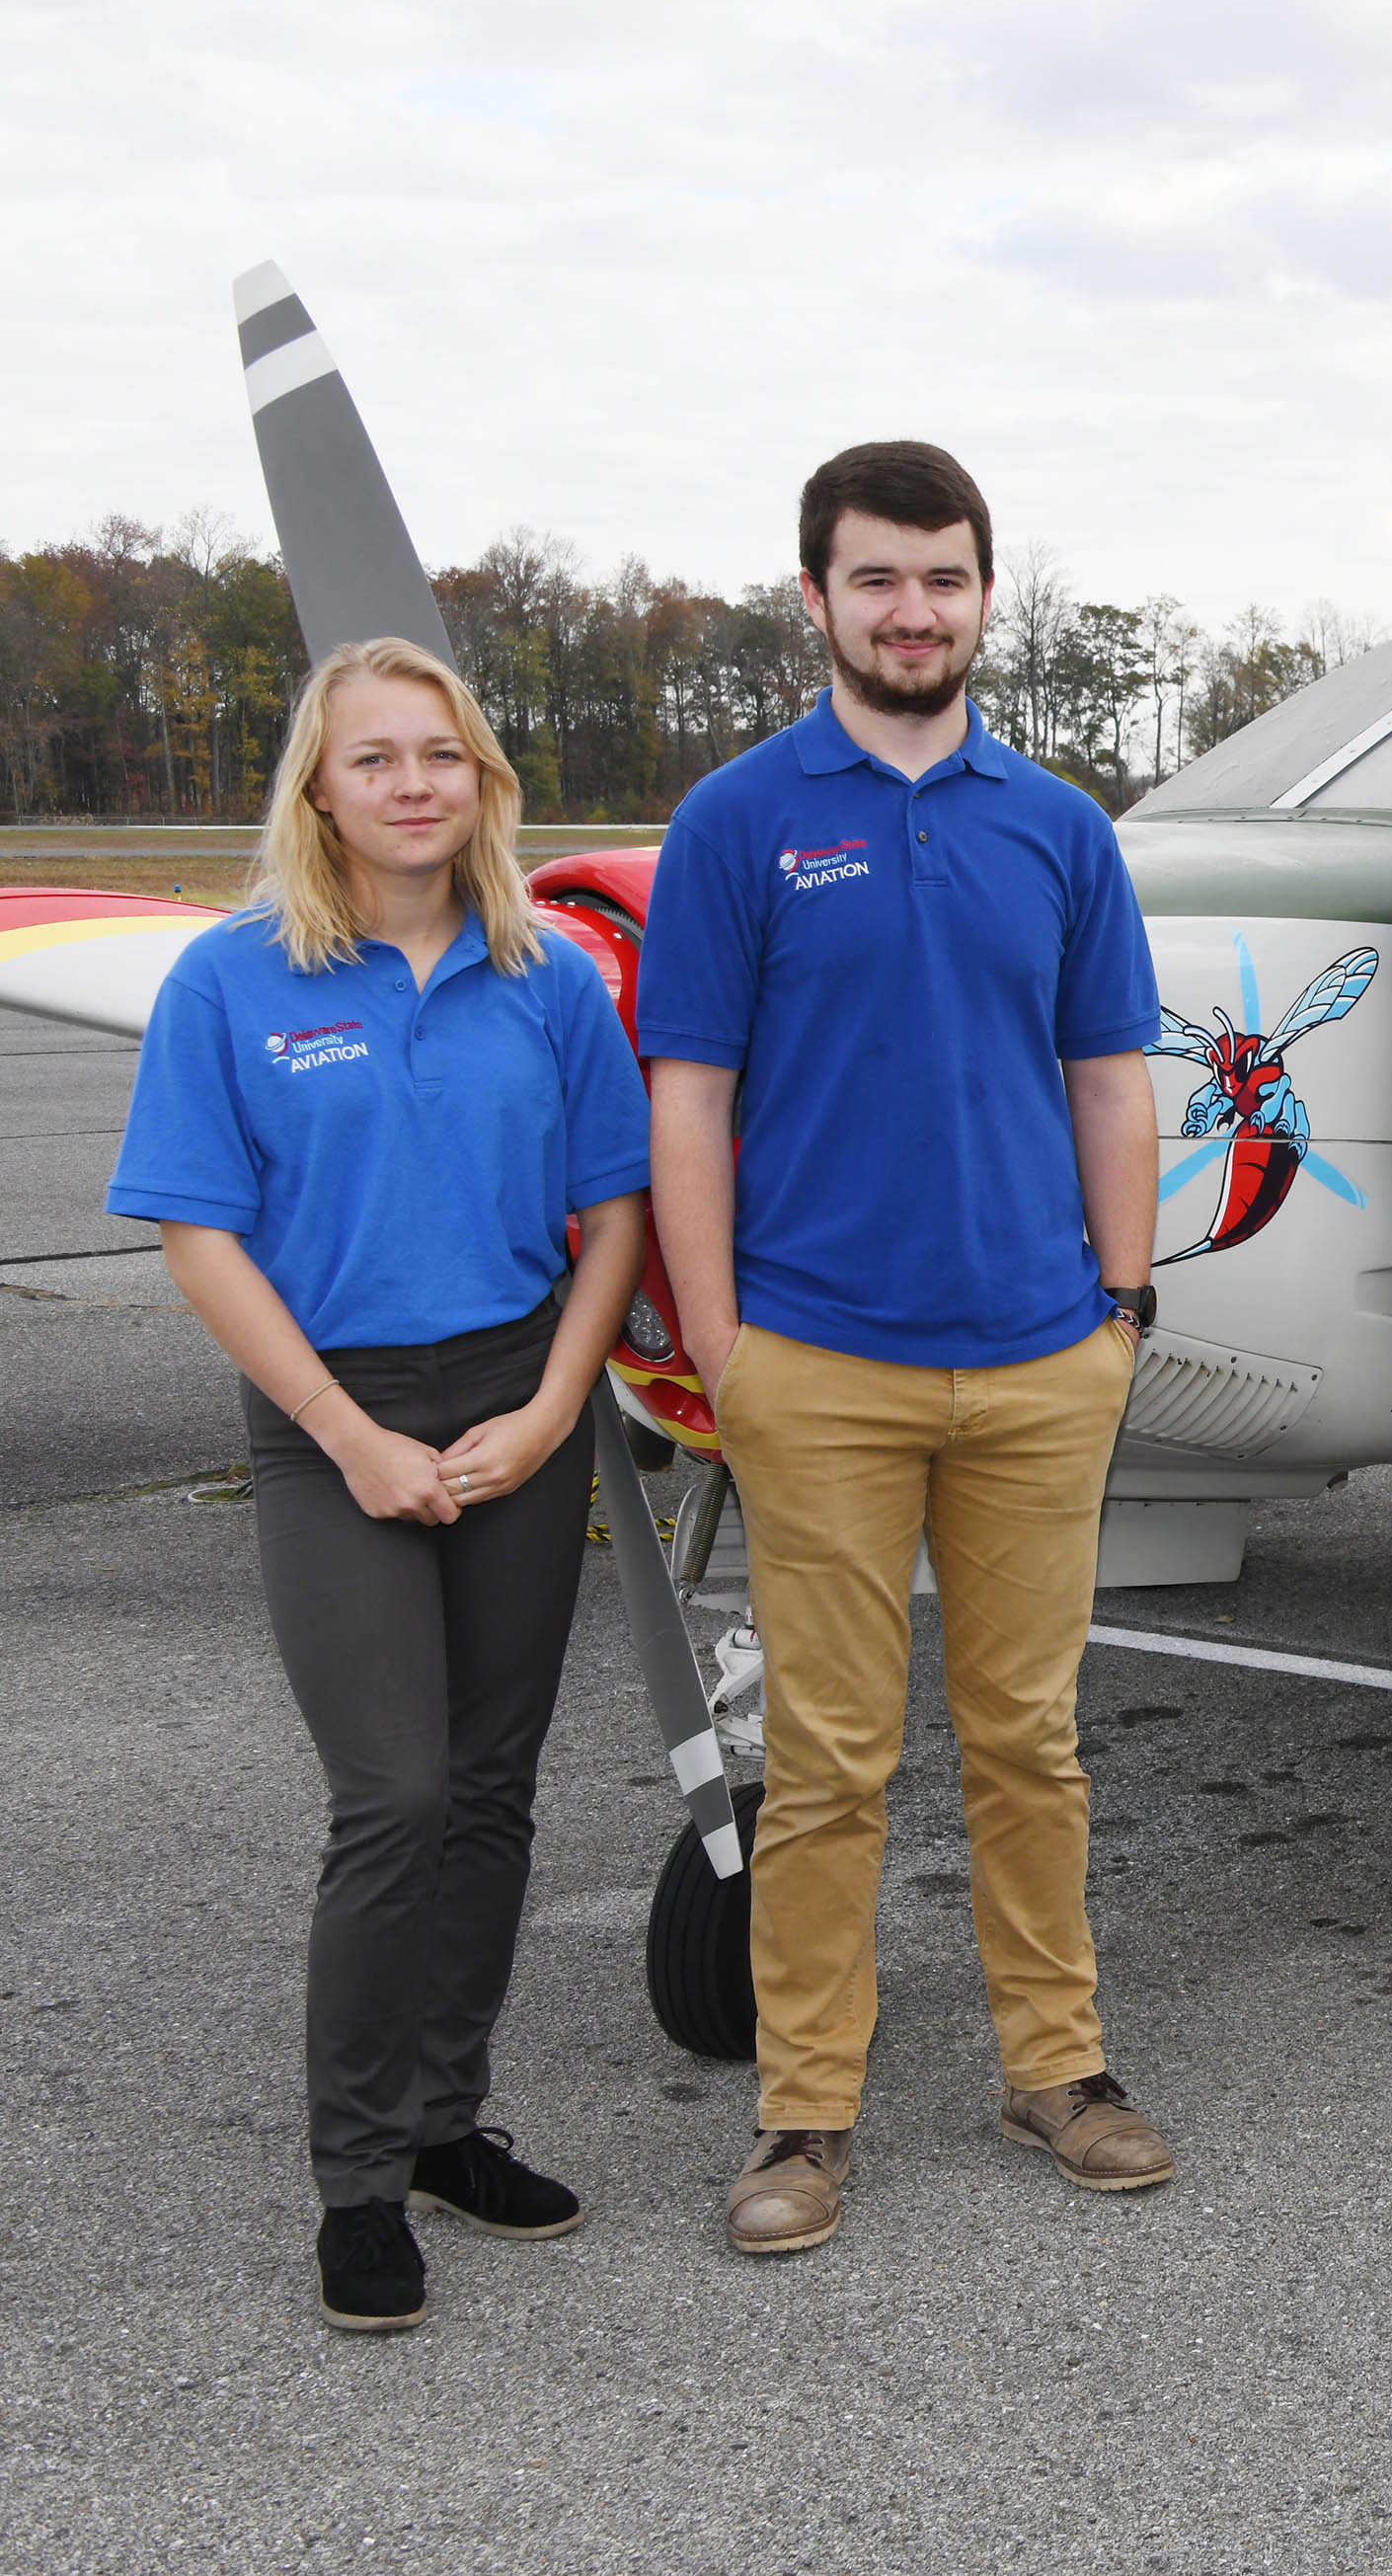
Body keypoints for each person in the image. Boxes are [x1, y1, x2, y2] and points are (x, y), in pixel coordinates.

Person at [641, 440, 1174, 2255]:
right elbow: (688, 1097)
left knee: (1032, 1739)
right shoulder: (735, 820)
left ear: (983, 597)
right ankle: (807, 2115)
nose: (912, 609)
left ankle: (1060, 2067)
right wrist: (719, 1336)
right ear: (817, 600)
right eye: (876, 579)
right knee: (828, 1760)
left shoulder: (1060, 827)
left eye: (943, 578)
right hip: (819, 1366)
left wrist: (1122, 1305)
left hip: (1041, 1361)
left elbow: (1112, 1076)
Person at [110, 636, 650, 2331]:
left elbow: (616, 1206)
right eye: (375, 759)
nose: (413, 782)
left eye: (443, 754)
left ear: (481, 780)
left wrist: (561, 1401)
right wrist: (348, 1434)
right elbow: (200, 1232)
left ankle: (444, 2126)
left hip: (514, 1395)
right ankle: (356, 2185)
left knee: (493, 1790)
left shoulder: (545, 975)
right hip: (329, 1414)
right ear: (320, 789)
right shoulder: (233, 981)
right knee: (395, 1795)